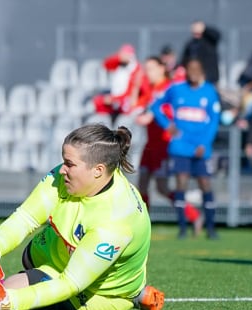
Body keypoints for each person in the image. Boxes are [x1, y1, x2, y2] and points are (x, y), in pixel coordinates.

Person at [0, 123, 165, 310]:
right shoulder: (74, 175)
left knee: (4, 296)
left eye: (69, 164)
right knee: (25, 265)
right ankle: (138, 293)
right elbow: (26, 217)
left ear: (98, 170)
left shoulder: (115, 223)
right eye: (64, 161)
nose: (62, 169)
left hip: (95, 294)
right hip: (59, 252)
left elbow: (71, 283)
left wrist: (9, 302)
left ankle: (132, 294)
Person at [149, 57, 221, 239]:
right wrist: (167, 125)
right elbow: (156, 106)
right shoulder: (176, 89)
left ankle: (211, 228)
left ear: (202, 72)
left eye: (197, 69)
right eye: (190, 69)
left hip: (201, 147)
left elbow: (214, 121)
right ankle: (182, 228)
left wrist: (205, 144)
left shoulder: (209, 91)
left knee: (205, 184)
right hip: (180, 147)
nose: (193, 73)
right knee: (181, 183)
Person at [134, 56, 200, 226]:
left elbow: (170, 111)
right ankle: (143, 224)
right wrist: (135, 86)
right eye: (146, 69)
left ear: (161, 69)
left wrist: (152, 115)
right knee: (141, 186)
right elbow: (135, 105)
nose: (148, 73)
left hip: (162, 145)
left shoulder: (169, 88)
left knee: (162, 188)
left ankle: (193, 215)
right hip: (150, 145)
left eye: (151, 69)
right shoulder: (149, 89)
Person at [92, 43, 149, 124]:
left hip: (126, 100)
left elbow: (131, 92)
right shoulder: (119, 65)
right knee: (98, 102)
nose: (123, 56)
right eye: (121, 54)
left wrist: (114, 99)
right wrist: (118, 56)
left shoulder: (136, 69)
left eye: (125, 54)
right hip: (116, 97)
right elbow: (106, 64)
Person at [180, 20, 221, 86]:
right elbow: (184, 59)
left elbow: (217, 35)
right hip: (194, 79)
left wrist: (205, 28)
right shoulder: (190, 44)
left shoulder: (210, 41)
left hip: (209, 78)